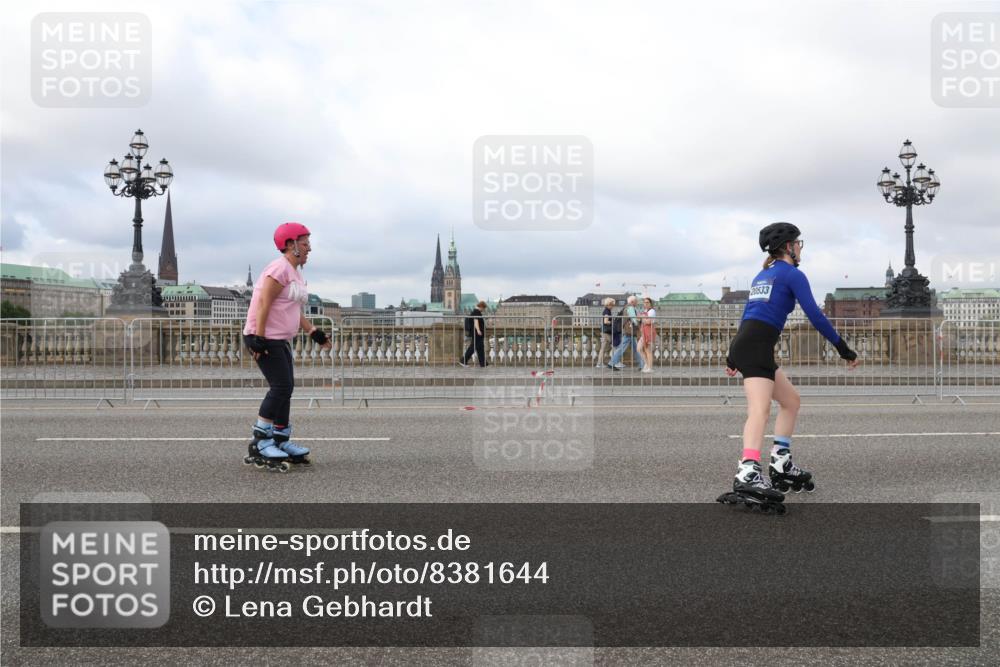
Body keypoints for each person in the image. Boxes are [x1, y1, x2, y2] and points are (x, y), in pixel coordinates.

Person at [724, 222, 859, 501]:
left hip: (749, 343)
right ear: (789, 247)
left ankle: (780, 461)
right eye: (798, 243)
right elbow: (816, 315)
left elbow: (748, 312)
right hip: (756, 346)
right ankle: (747, 471)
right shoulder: (792, 274)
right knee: (759, 410)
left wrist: (733, 352)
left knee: (791, 401)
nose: (800, 247)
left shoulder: (763, 275)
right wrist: (843, 348)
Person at [242, 222, 332, 472]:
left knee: (286, 388)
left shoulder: (295, 273)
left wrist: (313, 331)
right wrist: (258, 337)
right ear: (291, 245)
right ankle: (260, 442)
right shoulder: (279, 268)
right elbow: (263, 304)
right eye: (305, 243)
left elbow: (292, 309)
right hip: (264, 336)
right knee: (281, 387)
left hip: (280, 337)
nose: (309, 248)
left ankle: (280, 440)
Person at [608, 295, 644, 371]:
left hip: (629, 331)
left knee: (635, 349)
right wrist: (640, 320)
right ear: (632, 302)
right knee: (622, 348)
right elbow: (634, 320)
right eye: (636, 301)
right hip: (629, 331)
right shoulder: (630, 308)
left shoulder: (627, 307)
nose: (637, 303)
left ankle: (642, 365)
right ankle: (611, 363)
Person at [459, 300, 488, 367]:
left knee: (480, 348)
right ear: (481, 306)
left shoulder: (475, 312)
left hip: (477, 333)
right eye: (483, 308)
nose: (483, 310)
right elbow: (476, 321)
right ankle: (463, 360)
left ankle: (483, 364)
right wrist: (478, 330)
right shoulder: (476, 312)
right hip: (477, 333)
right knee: (473, 347)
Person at [638, 296, 657, 373]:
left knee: (648, 350)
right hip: (644, 332)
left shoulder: (652, 311)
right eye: (644, 302)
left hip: (649, 331)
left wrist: (642, 317)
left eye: (647, 302)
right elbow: (640, 319)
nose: (645, 304)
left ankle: (650, 367)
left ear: (650, 303)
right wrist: (641, 318)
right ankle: (647, 364)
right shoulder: (645, 310)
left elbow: (648, 321)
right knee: (639, 348)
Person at [595, 297, 615, 368]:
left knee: (603, 348)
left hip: (604, 331)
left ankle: (599, 363)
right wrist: (613, 322)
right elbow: (606, 321)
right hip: (606, 332)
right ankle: (614, 362)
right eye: (612, 304)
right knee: (614, 346)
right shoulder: (607, 311)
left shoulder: (606, 310)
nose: (613, 306)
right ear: (609, 304)